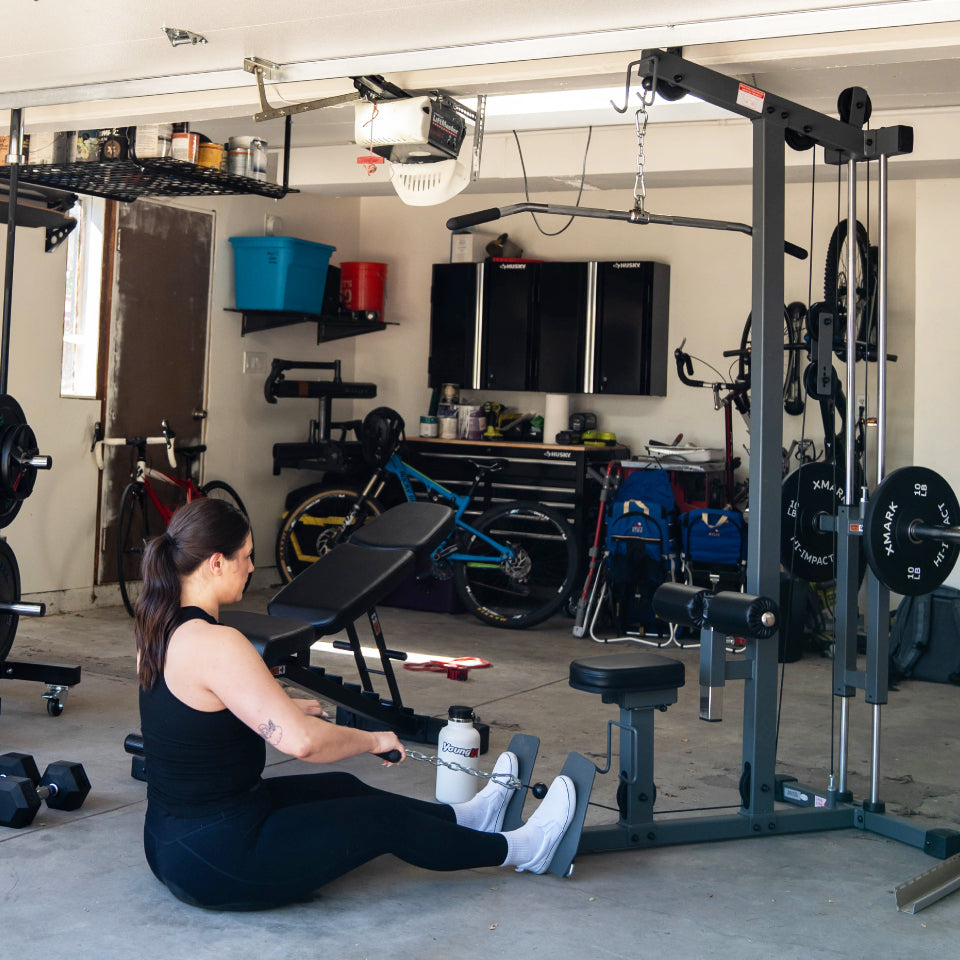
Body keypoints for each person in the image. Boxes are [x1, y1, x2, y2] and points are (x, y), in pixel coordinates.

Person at [136, 497, 576, 910]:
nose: (252, 566)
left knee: (343, 788)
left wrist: (282, 707)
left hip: (173, 841)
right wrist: (372, 739)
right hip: (219, 858)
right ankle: (526, 849)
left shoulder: (160, 628)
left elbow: (193, 713)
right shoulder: (219, 641)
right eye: (246, 556)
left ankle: (467, 817)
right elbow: (303, 745)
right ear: (216, 563)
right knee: (382, 820)